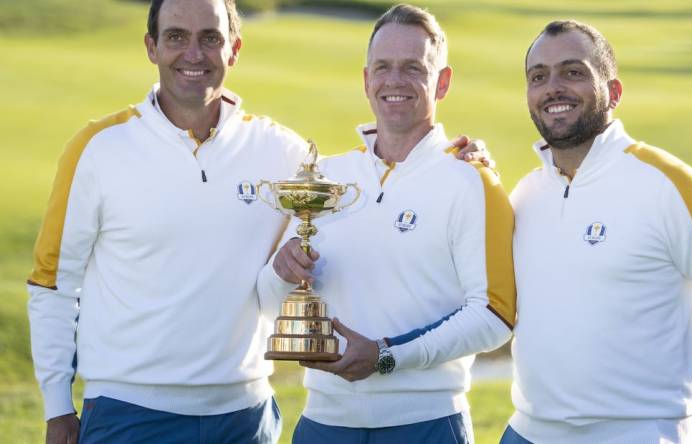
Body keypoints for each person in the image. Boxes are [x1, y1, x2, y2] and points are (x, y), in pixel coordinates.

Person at [26, 1, 488, 442]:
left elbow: (379, 174)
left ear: (234, 48)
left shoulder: (283, 152)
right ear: (151, 46)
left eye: (210, 37)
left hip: (246, 417)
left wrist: (460, 162)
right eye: (176, 37)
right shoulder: (98, 148)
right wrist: (56, 405)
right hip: (128, 412)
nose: (193, 54)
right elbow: (53, 283)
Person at [501, 20, 692, 444]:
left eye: (573, 72)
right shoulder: (526, 194)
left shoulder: (669, 183)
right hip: (527, 431)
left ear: (615, 92)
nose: (553, 87)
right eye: (539, 77)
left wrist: (673, 363)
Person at [259, 4, 516, 443]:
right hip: (324, 423)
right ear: (365, 80)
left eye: (413, 68)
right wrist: (280, 273)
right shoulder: (324, 176)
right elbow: (268, 305)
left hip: (426, 424)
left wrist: (386, 356)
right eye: (383, 67)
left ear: (443, 81)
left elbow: (493, 317)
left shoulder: (472, 180)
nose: (394, 81)